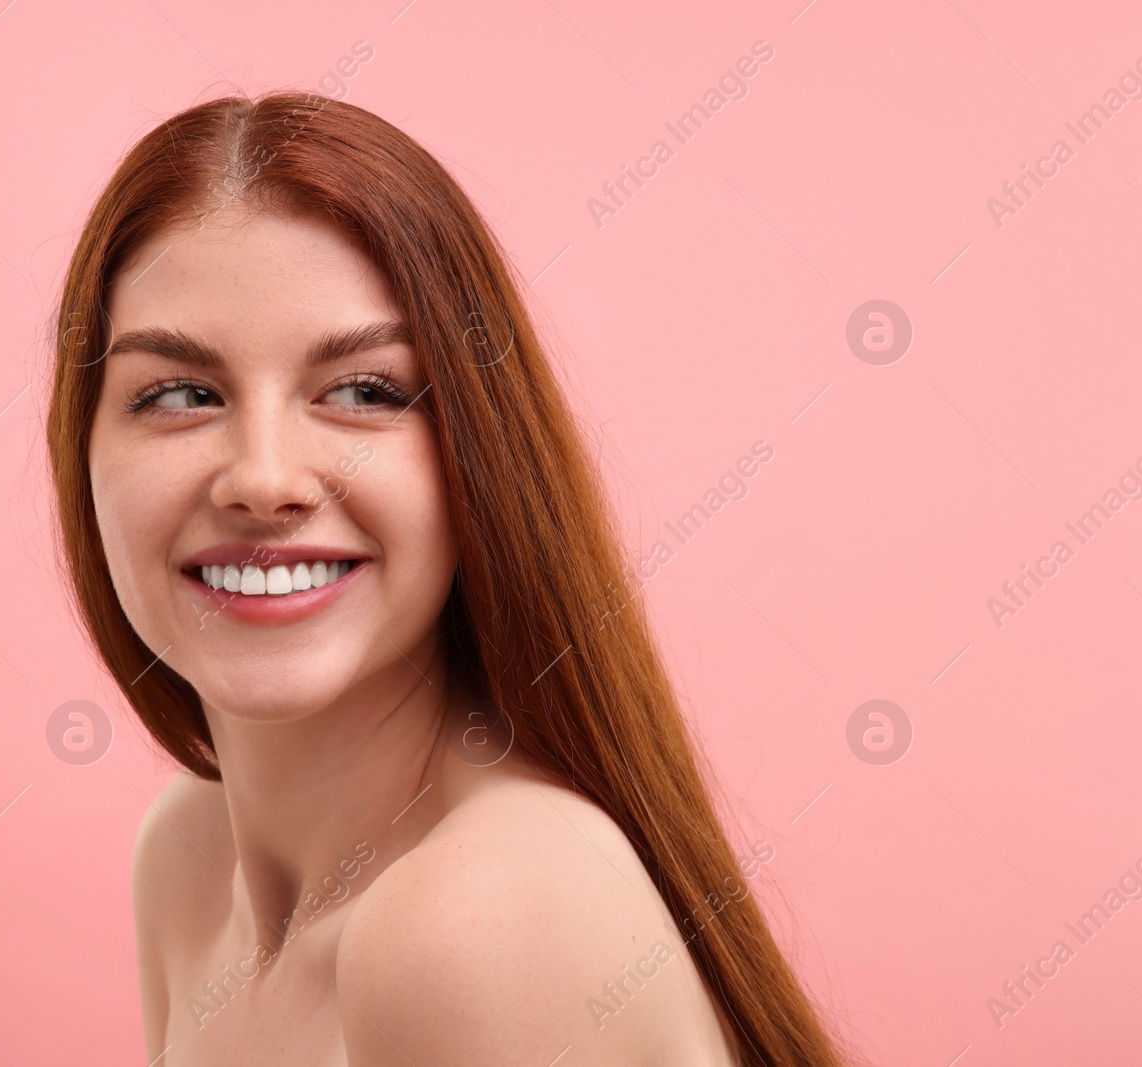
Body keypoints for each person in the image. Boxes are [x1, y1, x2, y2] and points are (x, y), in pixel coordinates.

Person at [44, 90, 852, 1066]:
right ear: (82, 449)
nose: (262, 478)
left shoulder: (481, 920)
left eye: (363, 391)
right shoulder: (187, 853)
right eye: (179, 393)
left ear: (476, 449)